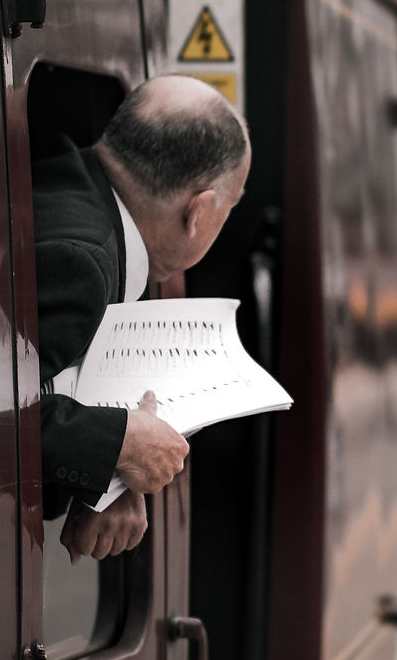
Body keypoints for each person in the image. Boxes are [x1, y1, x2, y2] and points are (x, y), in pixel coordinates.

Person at [32, 74, 250, 561]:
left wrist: (112, 475)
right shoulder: (82, 262)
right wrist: (116, 448)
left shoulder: (70, 185)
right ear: (199, 212)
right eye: (230, 207)